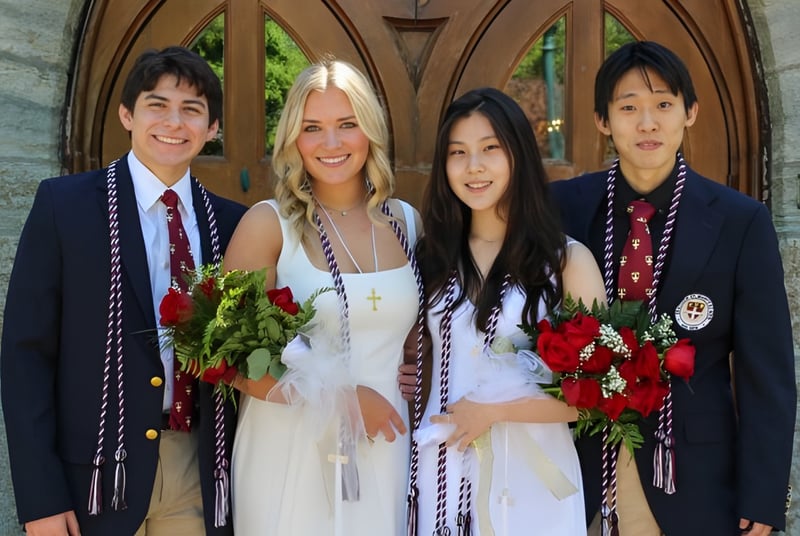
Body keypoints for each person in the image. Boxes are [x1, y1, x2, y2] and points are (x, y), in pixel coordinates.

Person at [550, 41, 795, 535]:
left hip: (692, 474)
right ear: (602, 120)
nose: (647, 123)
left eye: (663, 105)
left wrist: (764, 494)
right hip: (576, 463)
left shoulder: (739, 221)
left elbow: (765, 372)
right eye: (628, 108)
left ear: (690, 112)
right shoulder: (564, 207)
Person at [1, 46, 247, 535]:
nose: (174, 122)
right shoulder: (63, 207)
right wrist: (40, 499)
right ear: (127, 115)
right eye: (157, 105)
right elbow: (25, 359)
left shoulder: (234, 224)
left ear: (213, 128)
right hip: (95, 476)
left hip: (198, 471)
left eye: (192, 110)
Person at [224, 58, 422, 535]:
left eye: (346, 125)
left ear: (369, 131)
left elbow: (416, 333)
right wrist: (345, 399)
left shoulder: (407, 222)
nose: (330, 144)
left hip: (385, 445)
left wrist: (422, 368)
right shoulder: (268, 225)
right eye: (313, 128)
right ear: (294, 137)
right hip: (288, 450)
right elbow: (227, 358)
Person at [408, 87, 607, 535]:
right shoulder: (432, 258)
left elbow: (597, 398)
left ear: (517, 155)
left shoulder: (566, 262)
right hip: (442, 466)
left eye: (490, 149)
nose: (473, 166)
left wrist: (494, 410)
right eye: (458, 153)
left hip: (531, 478)